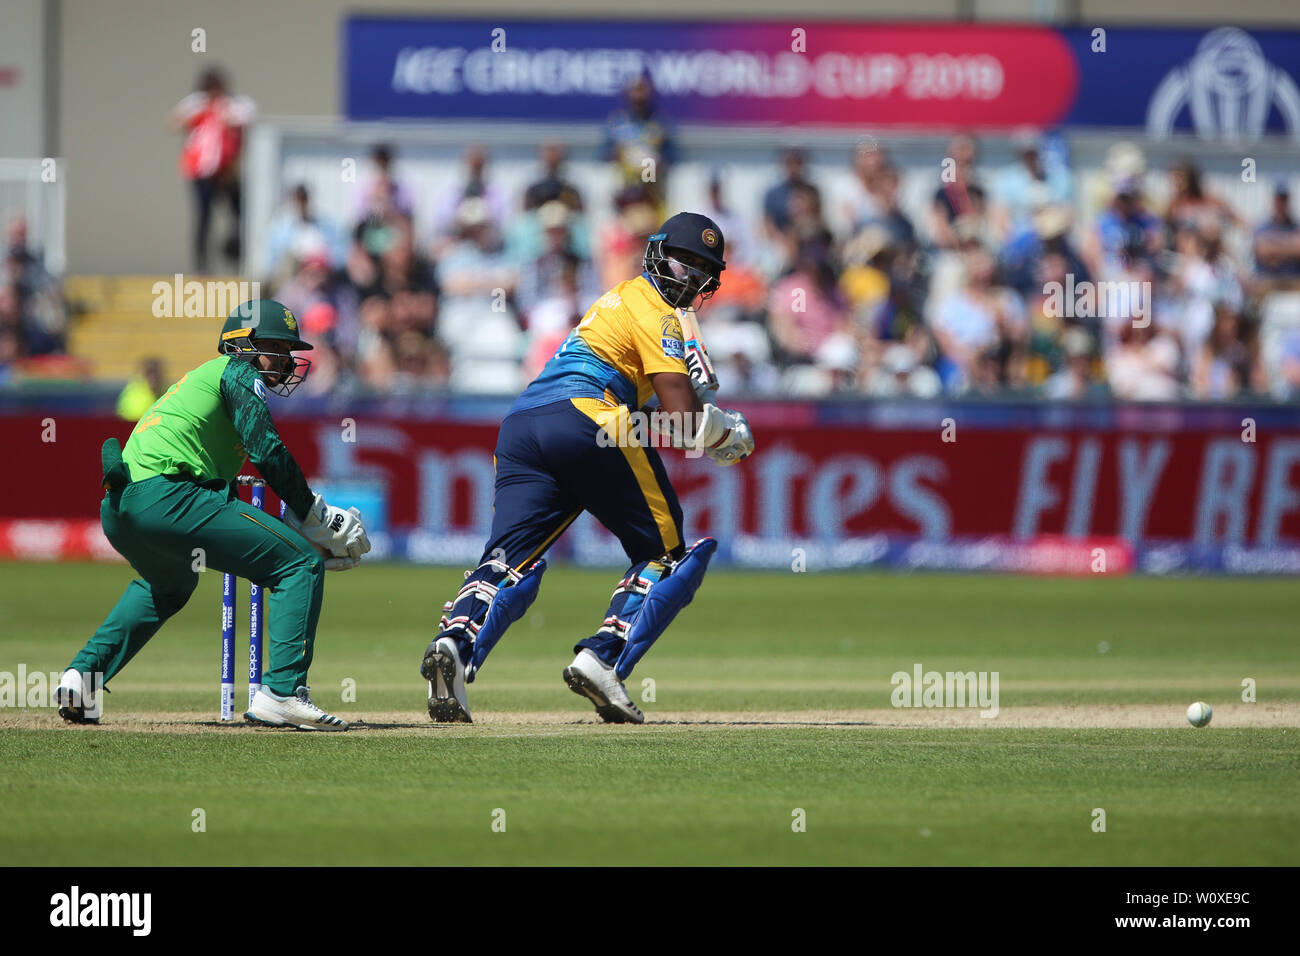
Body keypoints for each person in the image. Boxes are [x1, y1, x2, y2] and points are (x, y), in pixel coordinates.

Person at [420, 213, 754, 724]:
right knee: (666, 553)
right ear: (656, 254)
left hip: (524, 423)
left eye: (700, 268)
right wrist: (723, 431)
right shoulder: (661, 312)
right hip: (588, 415)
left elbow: (644, 415)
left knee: (509, 558)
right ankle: (603, 657)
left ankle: (455, 642)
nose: (688, 276)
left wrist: (702, 423)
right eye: (682, 262)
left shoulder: (617, 297)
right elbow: (682, 419)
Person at [55, 300, 371, 730]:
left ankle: (82, 677)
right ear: (242, 344)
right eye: (275, 347)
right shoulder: (239, 372)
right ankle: (281, 693)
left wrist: (298, 517)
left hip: (121, 505)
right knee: (299, 564)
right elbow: (267, 451)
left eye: (287, 349)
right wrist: (311, 510)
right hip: (168, 496)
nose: (285, 359)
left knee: (168, 586)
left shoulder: (202, 380)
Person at [169, 67, 256, 272]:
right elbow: (173, 122)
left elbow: (249, 118)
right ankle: (202, 268)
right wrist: (198, 112)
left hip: (227, 171)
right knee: (203, 218)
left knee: (241, 216)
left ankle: (238, 257)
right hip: (201, 173)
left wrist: (225, 114)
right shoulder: (196, 104)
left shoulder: (235, 104)